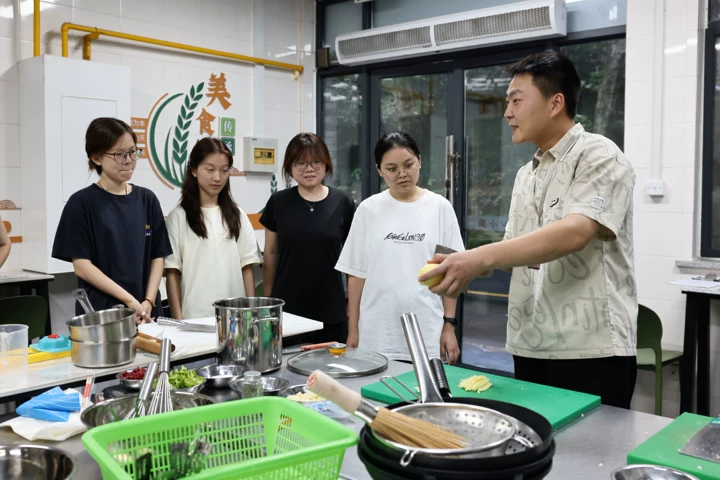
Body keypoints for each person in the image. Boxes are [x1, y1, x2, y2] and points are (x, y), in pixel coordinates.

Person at [421, 51, 637, 408]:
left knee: (590, 443)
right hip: (531, 344)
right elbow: (520, 252)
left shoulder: (599, 155)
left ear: (555, 103)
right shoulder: (527, 174)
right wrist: (466, 264)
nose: (507, 112)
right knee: (538, 439)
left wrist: (480, 257)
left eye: (516, 100)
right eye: (507, 102)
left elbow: (575, 232)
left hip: (589, 348)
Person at [336, 131, 464, 363]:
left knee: (425, 387)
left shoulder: (439, 208)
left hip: (428, 331)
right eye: (392, 168)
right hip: (376, 334)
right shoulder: (368, 210)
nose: (402, 174)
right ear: (379, 170)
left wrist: (449, 325)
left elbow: (451, 272)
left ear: (419, 161)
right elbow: (356, 274)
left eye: (408, 164)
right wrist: (353, 329)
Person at [52, 117, 172, 324]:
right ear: (97, 158)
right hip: (104, 316)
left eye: (132, 152)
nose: (128, 160)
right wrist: (130, 302)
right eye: (119, 154)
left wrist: (148, 301)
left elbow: (157, 257)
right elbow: (82, 266)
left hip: (148, 313)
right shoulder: (80, 204)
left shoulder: (147, 200)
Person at [260, 133, 355, 344]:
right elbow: (271, 253)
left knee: (332, 363)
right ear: (290, 167)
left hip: (331, 307)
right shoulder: (278, 202)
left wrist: (352, 304)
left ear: (326, 163)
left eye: (316, 162)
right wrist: (269, 301)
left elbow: (352, 259)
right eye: (301, 163)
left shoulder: (343, 202)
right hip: (288, 308)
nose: (309, 169)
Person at [165, 137, 261, 319]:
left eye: (224, 170)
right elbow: (172, 272)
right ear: (194, 170)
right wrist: (178, 321)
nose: (217, 177)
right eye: (210, 170)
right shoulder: (178, 217)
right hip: (194, 318)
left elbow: (247, 268)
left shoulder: (238, 215)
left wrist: (251, 315)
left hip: (235, 318)